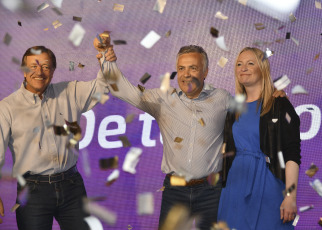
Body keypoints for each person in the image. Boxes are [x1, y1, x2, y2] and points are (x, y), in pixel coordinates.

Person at [97, 37, 229, 229]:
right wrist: (106, 61)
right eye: (182, 68)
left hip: (211, 192)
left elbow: (252, 110)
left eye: (193, 68)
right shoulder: (163, 99)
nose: (186, 74)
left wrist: (276, 96)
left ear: (205, 72)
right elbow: (124, 91)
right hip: (175, 191)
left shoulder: (222, 98)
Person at [0, 45, 114, 229]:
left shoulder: (69, 92)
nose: (39, 72)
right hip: (32, 191)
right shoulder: (6, 108)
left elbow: (101, 88)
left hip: (72, 186)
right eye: (33, 66)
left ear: (53, 71)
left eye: (46, 66)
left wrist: (106, 59)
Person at [218, 47, 301, 230]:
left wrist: (290, 196)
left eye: (250, 63)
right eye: (239, 64)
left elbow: (292, 154)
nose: (243, 68)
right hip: (234, 186)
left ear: (262, 68)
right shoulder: (233, 108)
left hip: (269, 185)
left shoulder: (279, 104)